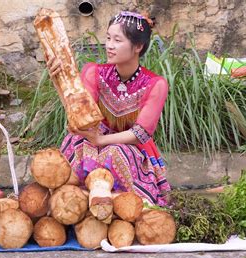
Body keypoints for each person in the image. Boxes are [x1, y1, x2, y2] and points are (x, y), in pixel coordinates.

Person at [46, 11, 171, 206]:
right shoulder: (95, 72)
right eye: (108, 38)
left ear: (138, 46)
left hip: (131, 146)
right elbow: (79, 113)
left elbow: (140, 133)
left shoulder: (155, 84)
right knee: (77, 140)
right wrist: (58, 81)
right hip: (97, 137)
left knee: (116, 152)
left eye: (117, 40)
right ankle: (73, 202)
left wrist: (101, 140)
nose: (109, 46)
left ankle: (118, 204)